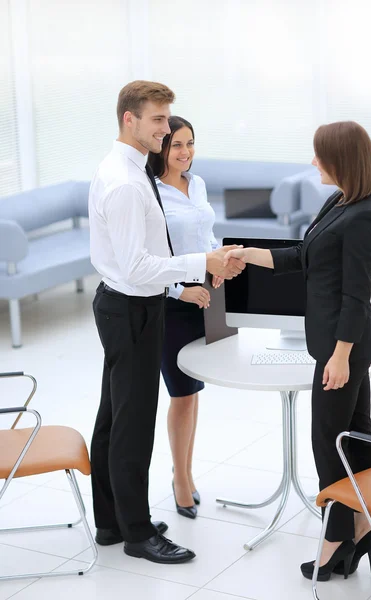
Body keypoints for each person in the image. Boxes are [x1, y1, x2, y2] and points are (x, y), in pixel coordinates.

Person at [88, 80, 245, 564]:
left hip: (126, 305)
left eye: (167, 119)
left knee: (114, 418)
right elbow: (138, 267)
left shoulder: (126, 169)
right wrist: (202, 264)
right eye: (158, 120)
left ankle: (113, 521)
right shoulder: (129, 183)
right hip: (132, 305)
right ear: (129, 120)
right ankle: (137, 533)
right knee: (131, 425)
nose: (165, 128)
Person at [224, 121, 371, 582]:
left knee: (327, 443)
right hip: (338, 345)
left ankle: (336, 541)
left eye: (319, 155)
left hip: (343, 348)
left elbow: (356, 296)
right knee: (355, 434)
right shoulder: (339, 201)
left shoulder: (362, 216)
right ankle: (362, 523)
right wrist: (246, 253)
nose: (313, 162)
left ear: (341, 158)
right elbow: (302, 256)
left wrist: (339, 356)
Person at [148, 116, 222, 519]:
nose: (185, 152)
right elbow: (150, 260)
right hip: (173, 303)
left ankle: (186, 471)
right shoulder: (151, 193)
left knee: (193, 393)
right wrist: (182, 289)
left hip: (205, 298)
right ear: (160, 148)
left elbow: (205, 238)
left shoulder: (198, 184)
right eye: (177, 144)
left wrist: (221, 260)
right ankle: (179, 481)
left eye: (190, 143)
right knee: (179, 394)